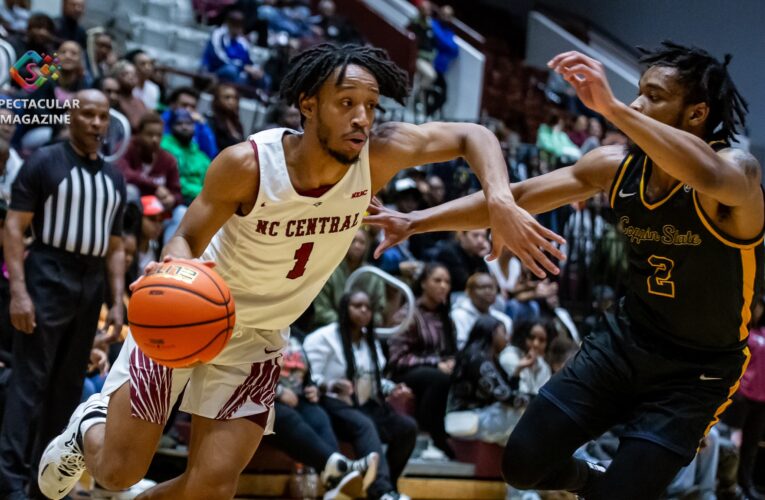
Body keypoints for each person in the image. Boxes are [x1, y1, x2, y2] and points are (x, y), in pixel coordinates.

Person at [38, 43, 562, 500]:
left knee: (212, 486)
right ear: (308, 105)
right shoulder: (248, 164)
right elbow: (188, 235)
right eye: (347, 104)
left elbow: (474, 135)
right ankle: (88, 423)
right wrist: (175, 263)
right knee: (116, 471)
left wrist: (500, 199)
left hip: (257, 337)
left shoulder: (378, 156)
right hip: (191, 313)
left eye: (371, 107)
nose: (363, 118)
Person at [365, 42, 763, 499]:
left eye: (653, 96)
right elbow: (518, 195)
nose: (636, 103)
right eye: (636, 93)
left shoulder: (737, 173)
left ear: (696, 114)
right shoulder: (616, 168)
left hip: (696, 371)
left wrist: (610, 108)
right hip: (625, 342)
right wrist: (416, 222)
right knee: (522, 465)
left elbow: (710, 175)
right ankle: (596, 481)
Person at [0, 90, 126, 500]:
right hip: (48, 273)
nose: (95, 123)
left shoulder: (114, 177)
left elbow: (117, 245)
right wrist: (19, 292)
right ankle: (10, 482)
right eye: (87, 114)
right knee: (28, 381)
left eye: (102, 116)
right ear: (71, 118)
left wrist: (118, 299)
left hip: (90, 285)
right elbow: (14, 228)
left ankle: (45, 483)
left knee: (69, 387)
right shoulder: (44, 162)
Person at [305, 290, 416, 500]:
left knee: (407, 428)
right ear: (344, 309)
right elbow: (308, 377)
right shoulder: (324, 338)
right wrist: (331, 385)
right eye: (357, 306)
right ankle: (380, 492)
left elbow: (372, 380)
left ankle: (389, 486)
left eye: (368, 307)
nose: (364, 311)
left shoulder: (370, 341)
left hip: (364, 404)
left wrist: (392, 388)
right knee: (365, 424)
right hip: (331, 405)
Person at [387, 263, 457, 458]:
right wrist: (435, 363)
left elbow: (450, 351)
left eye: (447, 282)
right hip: (405, 371)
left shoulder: (446, 317)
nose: (443, 286)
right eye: (437, 280)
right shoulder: (407, 313)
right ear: (424, 283)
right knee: (438, 378)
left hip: (437, 371)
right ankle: (434, 436)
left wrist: (451, 362)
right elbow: (396, 358)